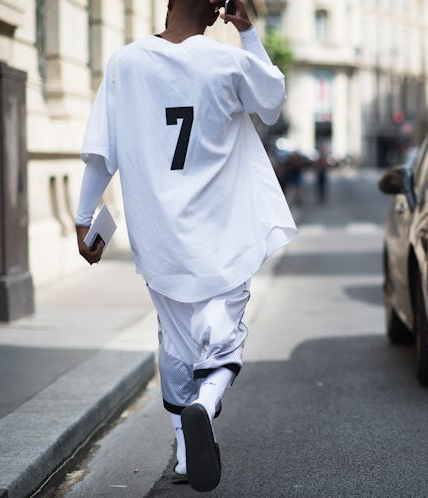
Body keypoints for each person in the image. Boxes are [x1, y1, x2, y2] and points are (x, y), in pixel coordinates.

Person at [74, 0, 296, 492]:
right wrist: (249, 33)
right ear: (218, 10)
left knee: (175, 344)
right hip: (223, 233)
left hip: (160, 235)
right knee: (222, 340)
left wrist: (83, 220)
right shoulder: (227, 61)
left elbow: (100, 152)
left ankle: (181, 454)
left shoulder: (125, 62)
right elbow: (272, 99)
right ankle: (205, 403)